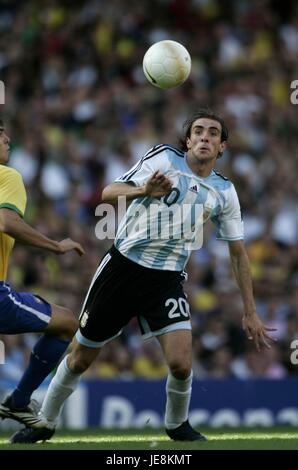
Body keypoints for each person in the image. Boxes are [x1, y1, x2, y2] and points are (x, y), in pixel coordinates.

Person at [11, 109, 275, 443]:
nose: (205, 137)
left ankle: (177, 424)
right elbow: (108, 192)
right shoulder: (164, 158)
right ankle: (45, 422)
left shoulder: (224, 192)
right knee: (79, 358)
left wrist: (250, 310)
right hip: (122, 268)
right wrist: (143, 191)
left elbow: (238, 254)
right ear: (188, 140)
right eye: (198, 131)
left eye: (212, 133)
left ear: (222, 146)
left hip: (166, 279)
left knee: (181, 364)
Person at [0, 120, 85, 427]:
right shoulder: (7, 176)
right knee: (66, 323)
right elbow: (7, 223)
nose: (8, 138)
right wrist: (55, 246)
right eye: (0, 133)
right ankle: (19, 401)